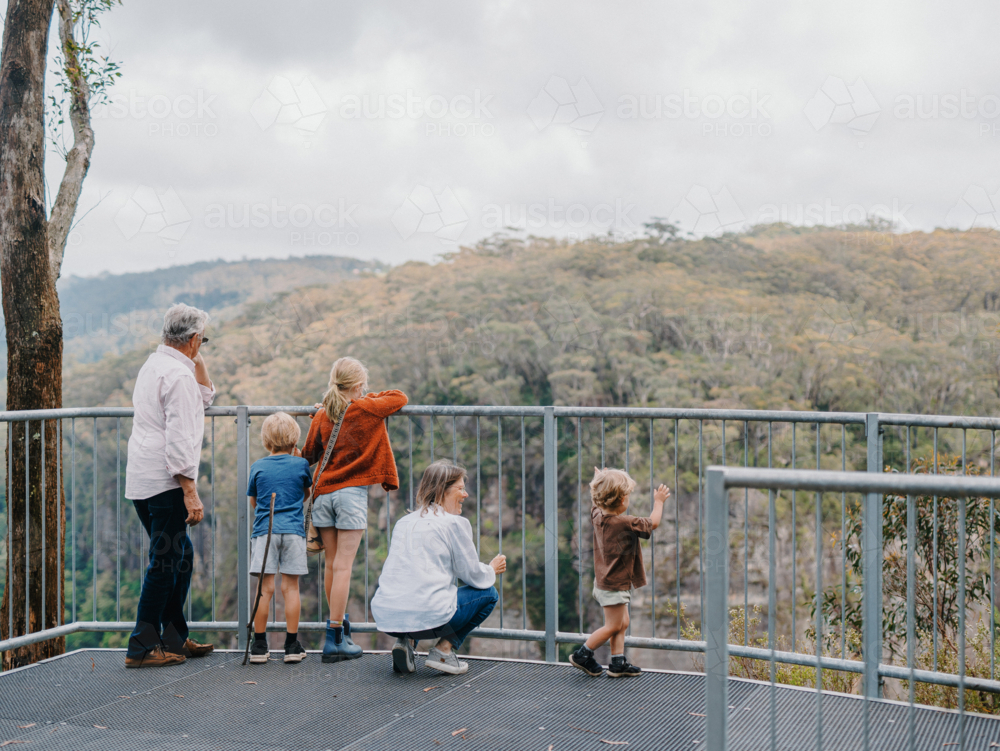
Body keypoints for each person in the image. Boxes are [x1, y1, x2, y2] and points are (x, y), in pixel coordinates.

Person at [124, 304, 216, 668]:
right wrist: (189, 491)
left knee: (181, 555)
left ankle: (175, 639)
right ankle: (142, 646)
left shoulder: (157, 365)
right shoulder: (176, 377)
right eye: (201, 340)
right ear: (193, 339)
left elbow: (204, 398)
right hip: (165, 482)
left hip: (144, 478)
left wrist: (197, 358)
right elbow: (180, 438)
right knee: (165, 562)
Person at [301, 357, 407, 662]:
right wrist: (366, 397)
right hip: (350, 497)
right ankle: (335, 639)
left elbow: (309, 453)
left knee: (333, 565)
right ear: (359, 384)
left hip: (323, 496)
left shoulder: (322, 414)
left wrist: (318, 416)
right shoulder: (365, 407)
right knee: (344, 566)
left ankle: (339, 630)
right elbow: (400, 397)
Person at [372, 461, 506, 676]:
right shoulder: (453, 523)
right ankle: (444, 651)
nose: (466, 495)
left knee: (418, 588)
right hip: (429, 617)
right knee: (489, 593)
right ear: (443, 490)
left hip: (388, 618)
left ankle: (405, 643)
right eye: (461, 489)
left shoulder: (403, 522)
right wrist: (491, 569)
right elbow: (472, 576)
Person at [569, 467, 669, 678]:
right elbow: (654, 523)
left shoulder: (597, 515)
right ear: (623, 499)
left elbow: (596, 502)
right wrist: (658, 501)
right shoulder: (625, 523)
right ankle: (583, 654)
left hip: (606, 581)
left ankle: (617, 662)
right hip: (613, 585)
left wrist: (600, 478)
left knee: (622, 623)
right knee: (613, 625)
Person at [247, 412, 312, 664]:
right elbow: (305, 493)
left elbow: (254, 501)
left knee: (265, 589)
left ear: (266, 440)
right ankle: (292, 646)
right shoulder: (301, 465)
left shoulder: (258, 466)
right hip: (293, 531)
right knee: (291, 588)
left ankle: (259, 646)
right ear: (294, 439)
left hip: (265, 531)